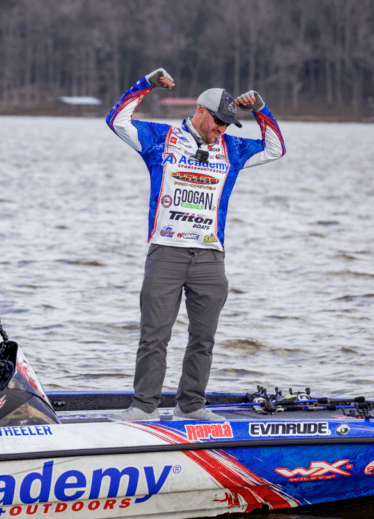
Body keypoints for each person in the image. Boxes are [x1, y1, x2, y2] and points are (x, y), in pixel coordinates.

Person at [106, 69, 286, 422]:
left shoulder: (232, 149)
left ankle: (191, 405)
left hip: (210, 257)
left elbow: (276, 148)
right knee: (154, 336)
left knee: (203, 338)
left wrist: (260, 109)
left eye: (227, 125)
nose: (221, 130)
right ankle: (143, 406)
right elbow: (117, 120)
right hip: (166, 252)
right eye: (218, 122)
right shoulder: (161, 138)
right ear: (201, 111)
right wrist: (146, 84)